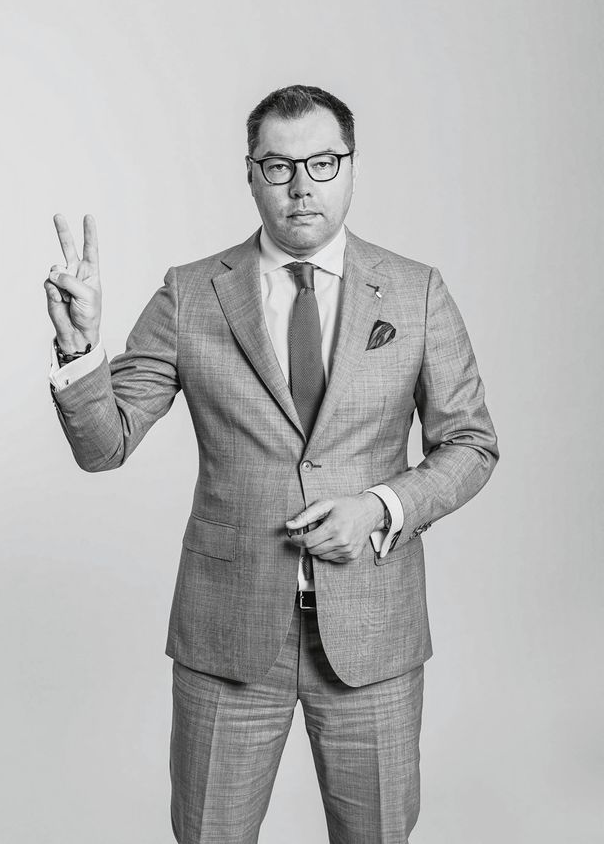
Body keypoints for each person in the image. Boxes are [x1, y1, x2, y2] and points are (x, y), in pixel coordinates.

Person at [44, 84, 499, 844]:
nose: (301, 186)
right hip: (227, 633)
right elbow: (104, 444)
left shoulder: (416, 292)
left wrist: (380, 506)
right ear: (250, 174)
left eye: (322, 163)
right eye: (279, 166)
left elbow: (471, 444)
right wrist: (80, 348)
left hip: (373, 634)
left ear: (351, 167)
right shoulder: (191, 293)